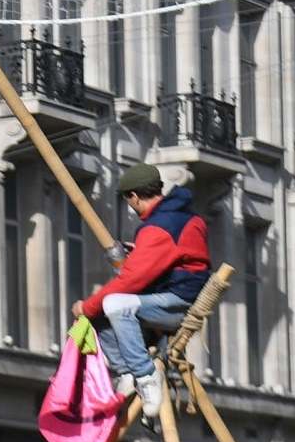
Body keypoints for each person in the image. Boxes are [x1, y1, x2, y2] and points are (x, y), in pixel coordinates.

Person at [75, 162, 210, 415]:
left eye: (128, 201)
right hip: (174, 296)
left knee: (112, 304)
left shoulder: (160, 227)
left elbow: (131, 281)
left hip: (177, 303)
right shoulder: (183, 217)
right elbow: (178, 257)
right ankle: (126, 373)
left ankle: (146, 377)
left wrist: (85, 307)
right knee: (102, 314)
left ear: (134, 197)